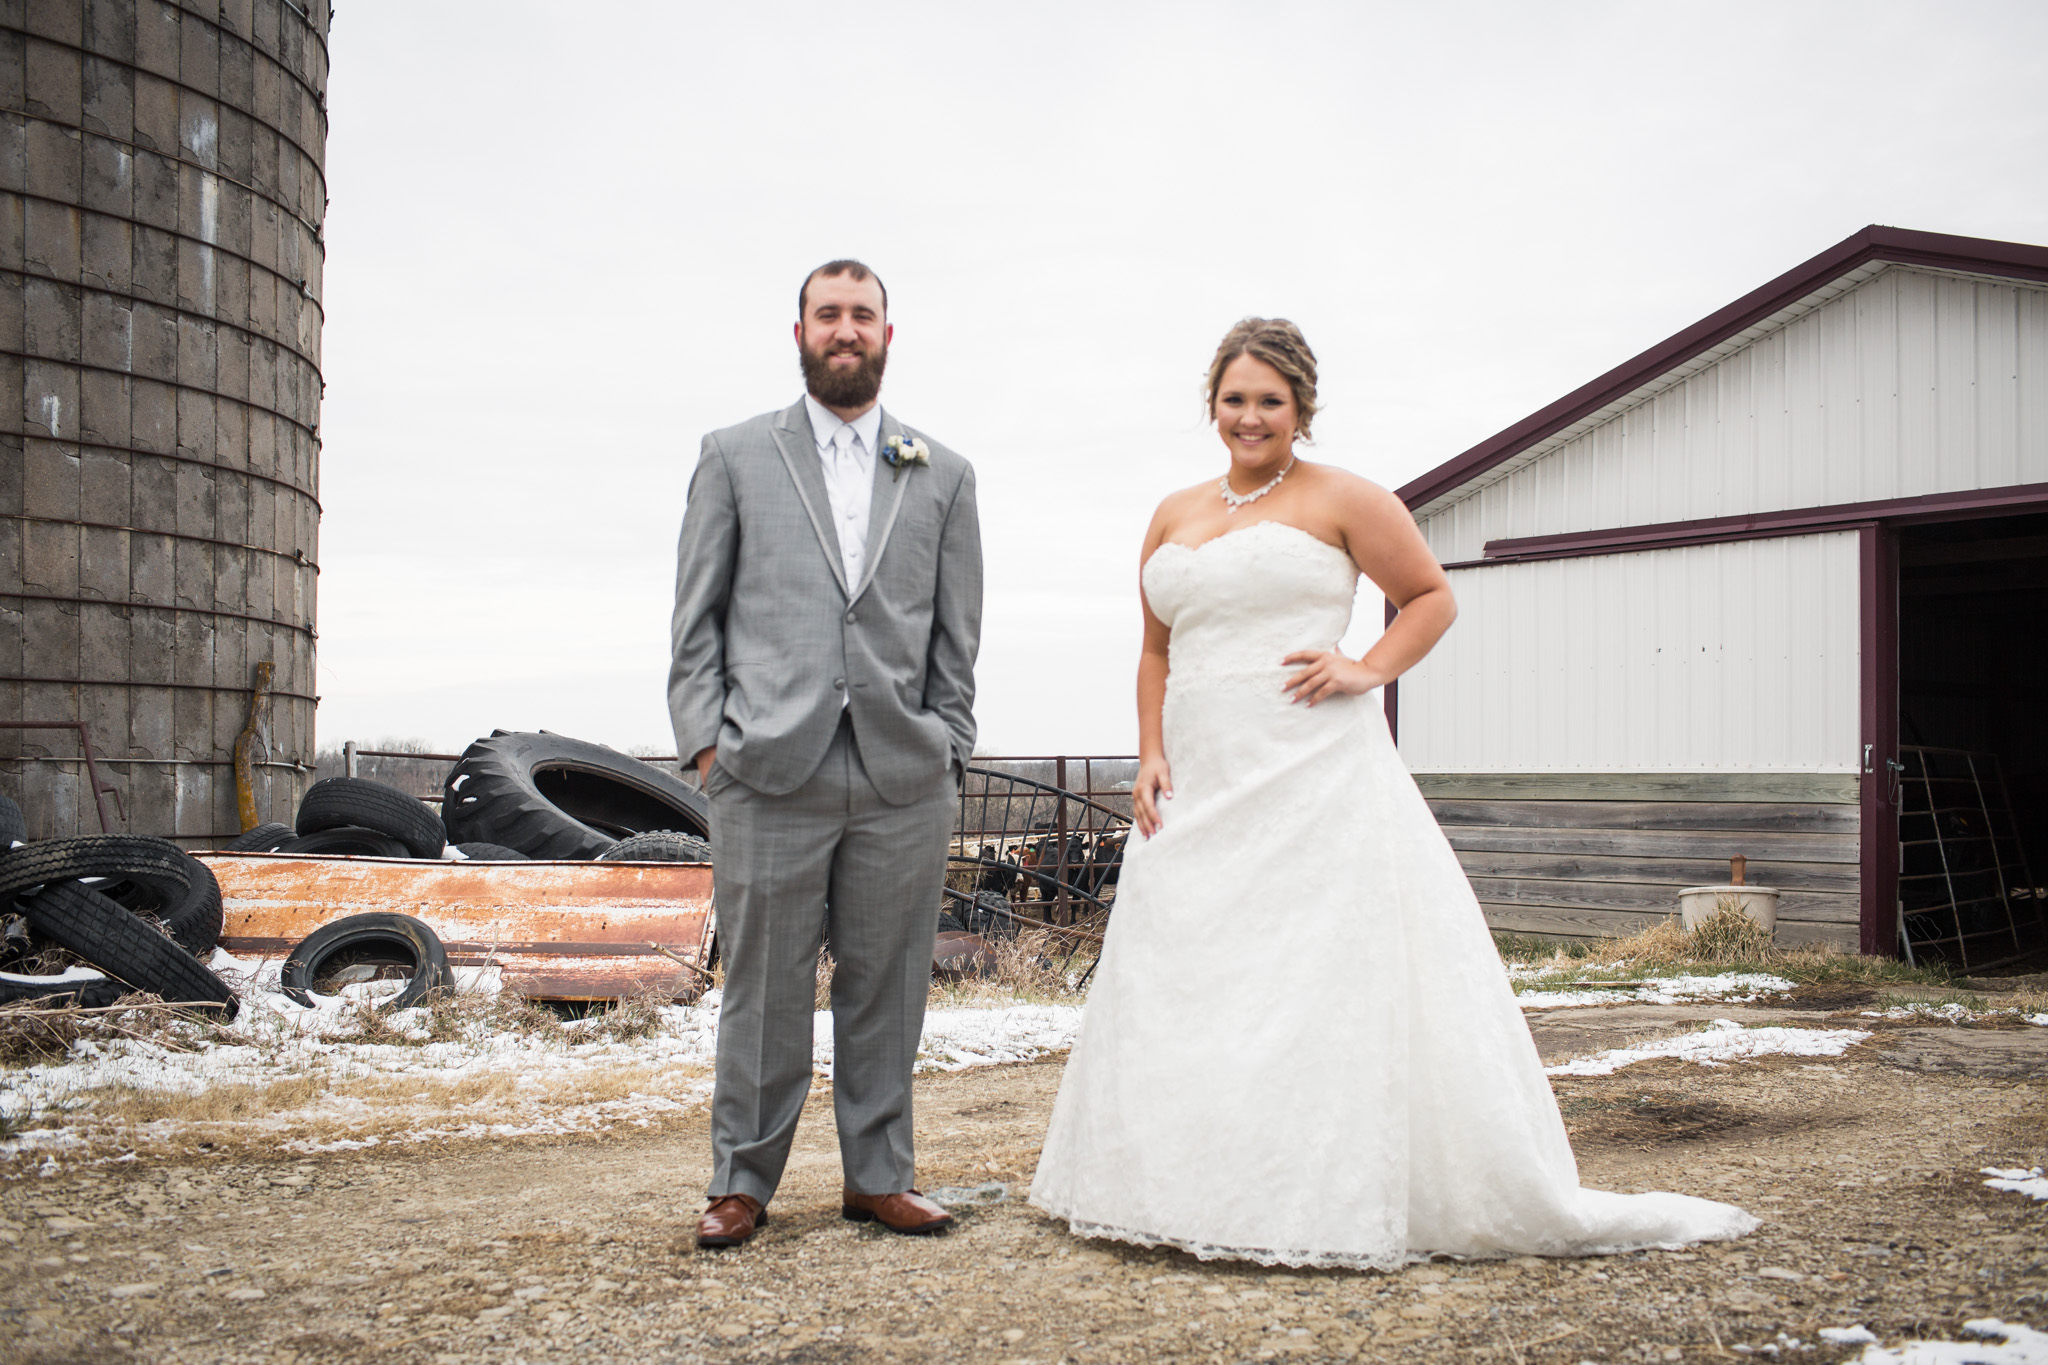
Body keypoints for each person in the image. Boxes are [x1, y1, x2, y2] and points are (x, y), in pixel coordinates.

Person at [1028, 318, 1756, 1268]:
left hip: (1308, 768)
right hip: (1197, 778)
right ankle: (1173, 1181)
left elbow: (1431, 596)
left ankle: (1303, 1195)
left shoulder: (1347, 497)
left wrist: (1365, 666)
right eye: (1235, 398)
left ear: (1302, 409)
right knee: (1193, 967)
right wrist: (1150, 749)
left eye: (1270, 401)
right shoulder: (1172, 513)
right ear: (1213, 402)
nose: (1250, 417)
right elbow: (1158, 647)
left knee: (1303, 972)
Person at [670, 260, 982, 1249]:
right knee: (762, 987)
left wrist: (949, 749)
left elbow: (954, 635)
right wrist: (707, 746)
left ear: (888, 334)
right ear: (798, 331)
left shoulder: (942, 471)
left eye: (862, 315)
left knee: (887, 983)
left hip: (901, 775)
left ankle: (880, 1176)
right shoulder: (731, 457)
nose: (844, 329)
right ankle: (740, 1185)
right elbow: (696, 623)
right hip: (765, 770)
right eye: (827, 314)